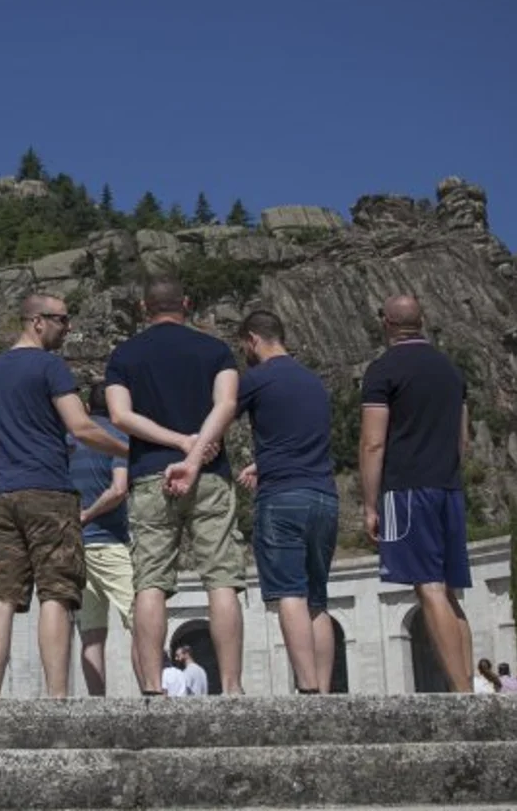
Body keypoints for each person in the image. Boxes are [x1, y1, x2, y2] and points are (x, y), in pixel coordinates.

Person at [0, 294, 127, 698]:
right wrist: (133, 450)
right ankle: (57, 697)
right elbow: (81, 427)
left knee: (2, 595)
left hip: (4, 492)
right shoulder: (50, 366)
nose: (68, 327)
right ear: (37, 322)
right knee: (56, 593)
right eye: (62, 319)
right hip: (49, 492)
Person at [104, 277, 243, 696]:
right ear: (186, 303)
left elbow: (120, 416)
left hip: (150, 474)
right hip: (210, 475)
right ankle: (232, 688)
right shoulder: (216, 350)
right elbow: (227, 405)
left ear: (145, 309)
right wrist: (197, 452)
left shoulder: (125, 355)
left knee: (150, 583)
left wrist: (178, 445)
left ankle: (150, 686)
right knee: (221, 580)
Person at [360, 295, 474, 694]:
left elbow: (373, 444)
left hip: (407, 490)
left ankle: (461, 692)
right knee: (448, 591)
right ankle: (468, 686)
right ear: (421, 320)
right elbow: (463, 439)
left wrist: (370, 503)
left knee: (427, 588)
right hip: (449, 487)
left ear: (386, 323)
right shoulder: (450, 370)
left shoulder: (383, 370)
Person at [231, 310, 338, 695]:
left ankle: (307, 689)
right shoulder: (313, 382)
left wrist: (193, 451)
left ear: (253, 339)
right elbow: (304, 440)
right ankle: (323, 690)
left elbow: (222, 416)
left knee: (290, 592)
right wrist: (263, 462)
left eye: (244, 345)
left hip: (282, 498)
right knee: (317, 598)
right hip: (324, 497)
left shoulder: (256, 379)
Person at [69, 386, 137, 696]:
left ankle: (98, 703)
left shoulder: (69, 441)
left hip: (76, 548)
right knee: (140, 622)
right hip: (109, 543)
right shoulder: (118, 438)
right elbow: (119, 489)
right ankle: (153, 693)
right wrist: (89, 514)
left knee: (91, 636)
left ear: (85, 406)